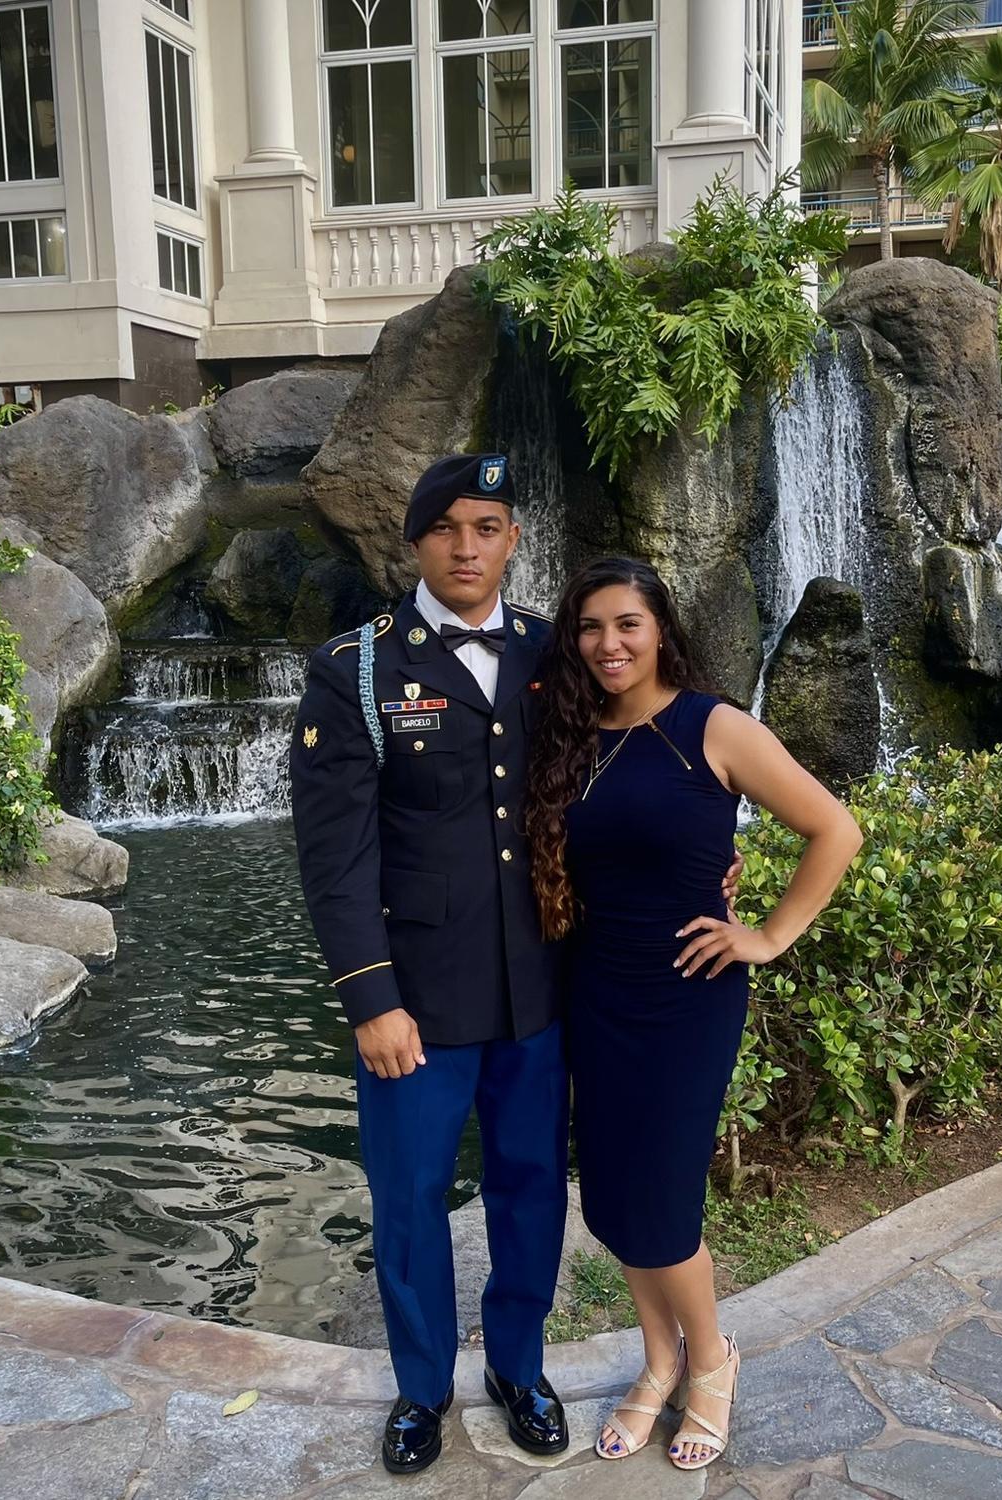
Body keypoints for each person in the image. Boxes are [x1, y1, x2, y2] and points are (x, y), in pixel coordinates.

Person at [525, 557, 865, 1472]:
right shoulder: (570, 736)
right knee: (613, 1194)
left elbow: (835, 829)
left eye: (627, 624)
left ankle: (711, 1360)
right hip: (595, 991)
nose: (609, 644)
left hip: (686, 996)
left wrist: (770, 934)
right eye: (591, 627)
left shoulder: (711, 726)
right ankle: (659, 1360)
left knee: (665, 1202)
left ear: (660, 630)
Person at [290, 453, 571, 1475]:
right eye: (447, 528)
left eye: (487, 527)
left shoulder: (552, 651)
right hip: (415, 1002)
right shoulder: (357, 669)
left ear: (513, 540)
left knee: (531, 1189)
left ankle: (519, 1369)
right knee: (410, 1199)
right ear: (414, 542)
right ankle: (421, 1388)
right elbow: (335, 857)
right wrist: (371, 1000)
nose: (466, 547)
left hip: (537, 990)